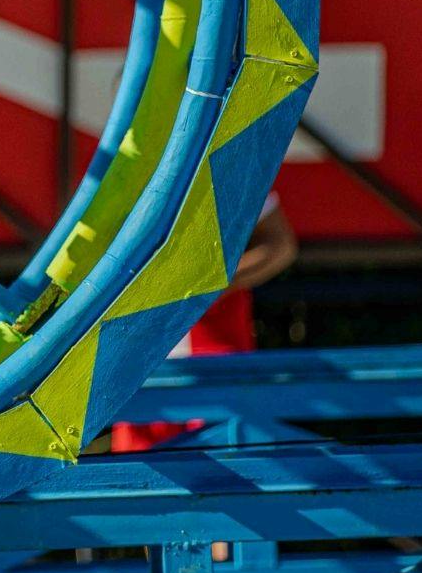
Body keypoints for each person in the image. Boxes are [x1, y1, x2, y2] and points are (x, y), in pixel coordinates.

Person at [108, 192, 300, 452]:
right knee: (135, 479)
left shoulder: (229, 162)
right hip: (138, 366)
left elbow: (279, 245)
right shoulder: (120, 172)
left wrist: (203, 288)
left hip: (215, 360)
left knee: (227, 471)